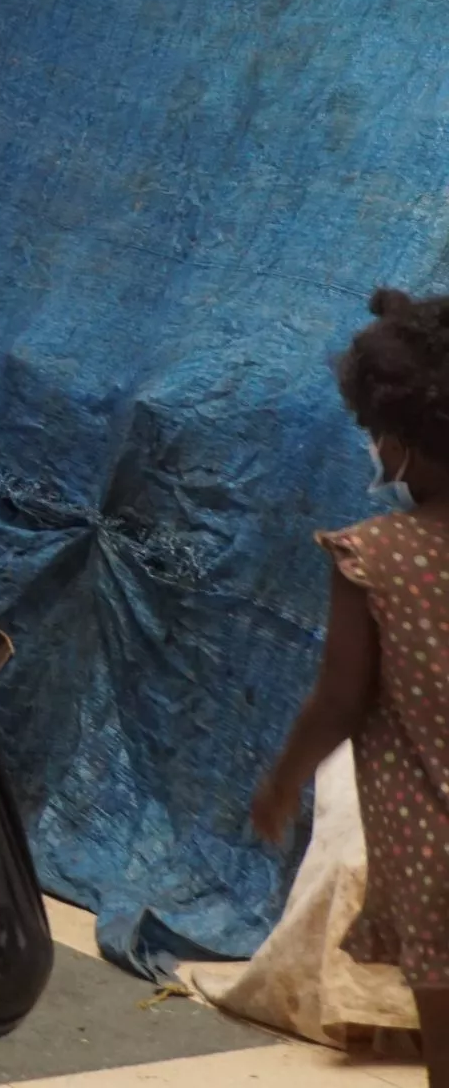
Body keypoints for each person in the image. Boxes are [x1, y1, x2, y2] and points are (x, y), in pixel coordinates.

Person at [254, 289, 449, 1086]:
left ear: (399, 441)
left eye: (375, 436)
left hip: (433, 851)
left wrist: (282, 784)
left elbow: (338, 700)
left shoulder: (375, 556)